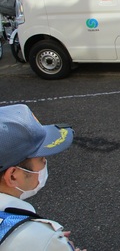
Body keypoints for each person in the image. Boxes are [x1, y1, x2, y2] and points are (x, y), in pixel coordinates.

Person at [0, 104, 85, 251]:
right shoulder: (38, 237)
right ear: (13, 176)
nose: (45, 163)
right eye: (41, 159)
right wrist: (44, 241)